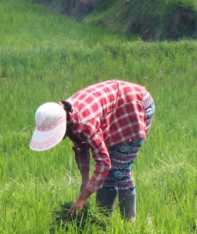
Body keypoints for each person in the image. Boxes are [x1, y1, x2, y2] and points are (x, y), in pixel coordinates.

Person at [30, 80, 155, 220]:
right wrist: (85, 180)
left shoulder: (85, 123)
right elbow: (81, 146)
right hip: (115, 111)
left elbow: (103, 164)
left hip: (136, 106)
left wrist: (82, 199)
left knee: (120, 169)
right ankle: (102, 220)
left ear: (63, 124)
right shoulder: (68, 116)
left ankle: (129, 224)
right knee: (108, 173)